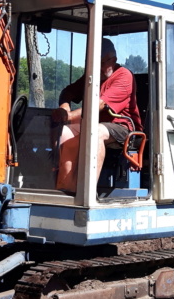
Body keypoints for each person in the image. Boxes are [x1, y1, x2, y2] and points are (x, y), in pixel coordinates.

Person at [52, 37, 142, 194]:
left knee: (97, 132)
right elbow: (68, 91)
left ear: (113, 60)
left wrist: (68, 116)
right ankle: (66, 188)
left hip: (123, 128)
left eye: (102, 63)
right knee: (63, 132)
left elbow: (98, 105)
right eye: (94, 63)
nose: (98, 68)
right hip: (92, 124)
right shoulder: (94, 75)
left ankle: (87, 192)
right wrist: (64, 107)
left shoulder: (124, 76)